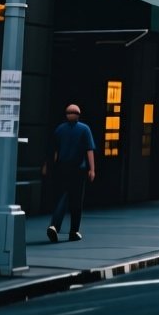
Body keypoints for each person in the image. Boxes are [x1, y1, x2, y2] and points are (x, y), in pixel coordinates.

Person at [42, 103, 96, 243]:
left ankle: (54, 225)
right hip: (78, 169)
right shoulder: (85, 129)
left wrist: (48, 166)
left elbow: (53, 151)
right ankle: (74, 231)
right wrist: (92, 169)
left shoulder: (59, 129)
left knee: (62, 198)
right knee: (77, 200)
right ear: (78, 115)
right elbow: (89, 150)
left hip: (62, 168)